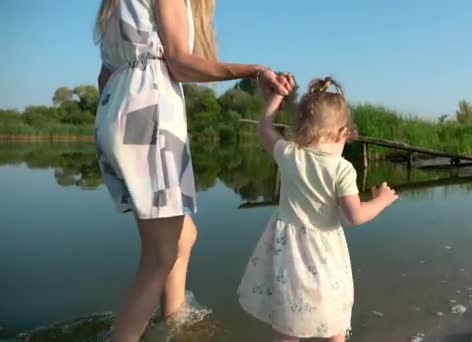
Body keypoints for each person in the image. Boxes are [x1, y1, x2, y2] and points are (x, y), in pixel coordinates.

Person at [93, 0, 294, 340]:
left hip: (116, 112)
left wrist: (118, 126)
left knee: (183, 236)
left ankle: (174, 322)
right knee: (160, 254)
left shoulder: (115, 6)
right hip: (149, 116)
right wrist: (254, 71)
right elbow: (180, 63)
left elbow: (104, 75)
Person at [237, 77, 399, 342]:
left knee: (289, 322)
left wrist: (275, 98)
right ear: (343, 132)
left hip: (287, 252)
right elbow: (355, 216)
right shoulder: (342, 169)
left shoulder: (290, 155)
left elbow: (264, 128)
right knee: (334, 319)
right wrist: (381, 200)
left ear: (302, 127)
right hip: (324, 255)